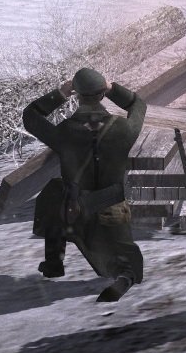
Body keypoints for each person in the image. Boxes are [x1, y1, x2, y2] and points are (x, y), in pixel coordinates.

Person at [21, 67, 146, 303]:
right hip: (113, 209)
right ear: (102, 94)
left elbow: (30, 116)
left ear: (77, 96)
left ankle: (54, 262)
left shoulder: (65, 132)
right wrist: (113, 89)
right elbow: (138, 105)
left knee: (54, 193)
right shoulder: (124, 129)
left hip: (75, 212)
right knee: (124, 264)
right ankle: (122, 277)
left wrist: (60, 93)